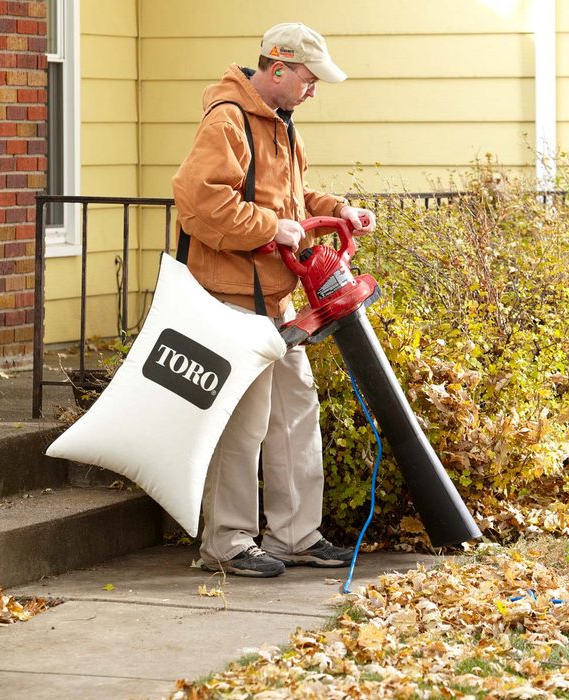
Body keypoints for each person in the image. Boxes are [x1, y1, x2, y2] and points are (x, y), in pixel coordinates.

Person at [172, 22, 376, 578]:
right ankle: (228, 542)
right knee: (246, 419)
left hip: (280, 300)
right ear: (278, 68)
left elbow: (293, 195)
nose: (314, 90)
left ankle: (294, 536)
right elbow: (198, 203)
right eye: (309, 79)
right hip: (233, 298)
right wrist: (271, 228)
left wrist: (338, 208)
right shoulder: (228, 121)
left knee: (294, 410)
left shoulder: (284, 127)